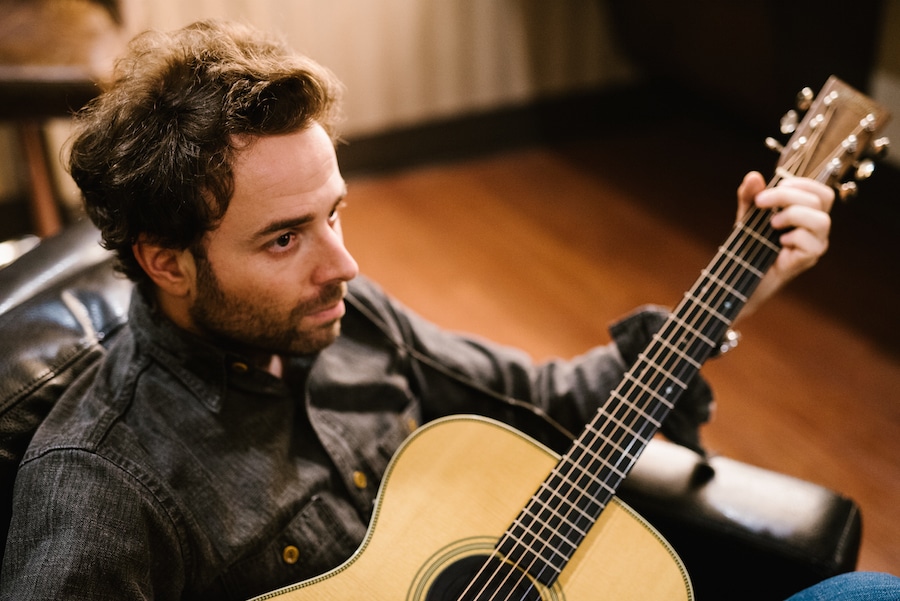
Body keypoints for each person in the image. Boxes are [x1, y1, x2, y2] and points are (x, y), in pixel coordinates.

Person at [1, 18, 897, 601]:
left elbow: (549, 398)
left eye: (334, 213)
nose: (344, 264)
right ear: (166, 261)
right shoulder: (100, 485)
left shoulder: (343, 316)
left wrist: (747, 274)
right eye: (284, 239)